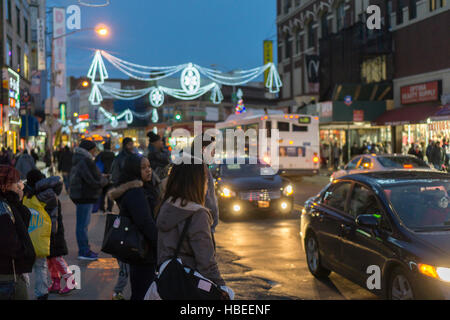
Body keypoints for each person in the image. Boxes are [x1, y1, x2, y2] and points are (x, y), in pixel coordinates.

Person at [152, 161, 233, 300]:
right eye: (207, 179)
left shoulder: (166, 205)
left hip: (168, 282)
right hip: (191, 286)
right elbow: (206, 261)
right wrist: (221, 288)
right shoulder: (197, 214)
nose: (208, 184)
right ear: (197, 182)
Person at [107, 154, 158, 300]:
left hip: (142, 250)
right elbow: (145, 222)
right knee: (142, 292)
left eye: (149, 166)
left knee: (142, 290)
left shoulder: (144, 188)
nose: (148, 170)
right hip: (142, 250)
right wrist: (160, 243)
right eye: (143, 168)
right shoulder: (136, 193)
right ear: (133, 170)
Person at [0, 165, 36, 300]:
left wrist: (17, 199)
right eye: (17, 181)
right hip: (8, 276)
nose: (20, 185)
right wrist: (24, 253)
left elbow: (23, 219)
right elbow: (9, 243)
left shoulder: (7, 203)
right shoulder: (3, 208)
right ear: (6, 185)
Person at [69, 140, 108, 261]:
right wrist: (103, 180)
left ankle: (84, 249)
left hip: (80, 195)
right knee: (83, 225)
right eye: (94, 149)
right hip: (84, 195)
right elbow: (91, 179)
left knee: (82, 225)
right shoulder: (85, 160)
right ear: (89, 149)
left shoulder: (78, 158)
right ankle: (84, 251)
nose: (95, 151)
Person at [95, 142, 115, 214]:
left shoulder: (100, 155)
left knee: (102, 193)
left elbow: (95, 165)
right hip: (111, 176)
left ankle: (101, 208)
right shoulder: (113, 155)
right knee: (110, 193)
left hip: (102, 176)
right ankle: (109, 209)